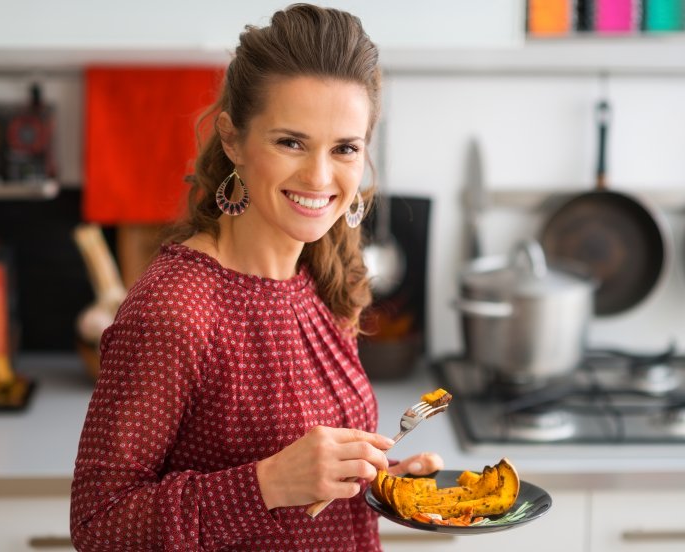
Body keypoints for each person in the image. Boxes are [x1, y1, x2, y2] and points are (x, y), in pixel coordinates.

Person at [70, 4, 443, 550]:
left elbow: (304, 506)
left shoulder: (324, 275)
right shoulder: (177, 309)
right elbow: (98, 524)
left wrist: (382, 485)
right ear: (232, 139)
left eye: (344, 148)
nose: (319, 176)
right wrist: (267, 483)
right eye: (290, 141)